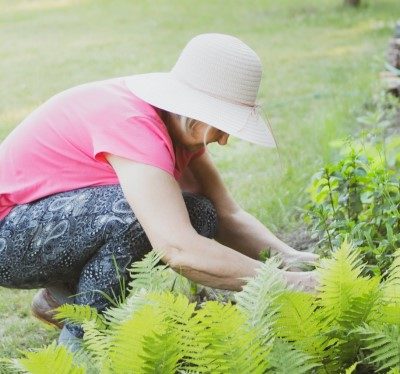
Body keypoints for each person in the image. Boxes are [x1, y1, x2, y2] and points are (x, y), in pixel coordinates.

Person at [0, 33, 319, 349]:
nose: (224, 140)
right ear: (197, 111)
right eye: (224, 125)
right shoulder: (135, 125)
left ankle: (60, 300)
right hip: (7, 235)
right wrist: (292, 285)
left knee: (200, 213)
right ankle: (79, 347)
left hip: (40, 224)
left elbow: (228, 215)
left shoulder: (178, 127)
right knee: (134, 217)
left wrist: (293, 260)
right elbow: (178, 249)